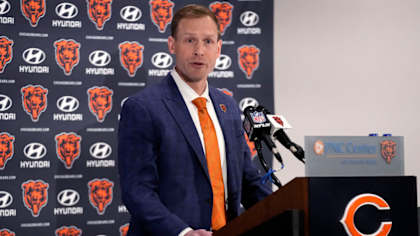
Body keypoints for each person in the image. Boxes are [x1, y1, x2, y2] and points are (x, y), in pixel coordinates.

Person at [118, 4, 272, 236]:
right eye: (190, 40)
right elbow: (137, 192)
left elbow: (247, 181)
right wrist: (184, 233)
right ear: (172, 45)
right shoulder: (143, 108)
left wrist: (291, 210)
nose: (199, 50)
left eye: (208, 41)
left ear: (218, 48)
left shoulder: (227, 106)